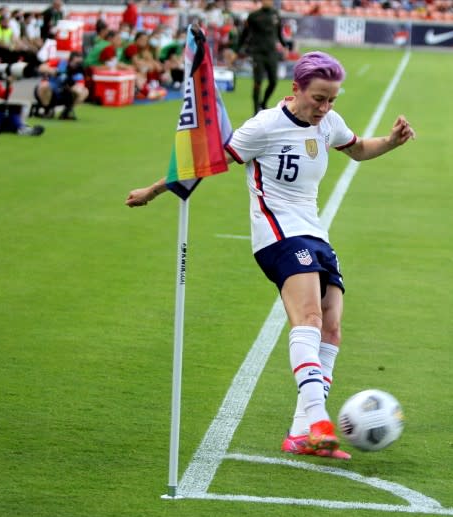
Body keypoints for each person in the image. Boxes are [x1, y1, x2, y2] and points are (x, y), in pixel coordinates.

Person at [124, 51, 416, 460]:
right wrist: (152, 191)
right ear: (295, 89)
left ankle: (301, 433)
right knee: (310, 319)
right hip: (278, 236)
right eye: (318, 98)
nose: (324, 108)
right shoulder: (264, 126)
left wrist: (389, 141)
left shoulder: (328, 123)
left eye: (331, 100)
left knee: (331, 330)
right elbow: (206, 163)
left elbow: (357, 148)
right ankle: (318, 421)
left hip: (314, 235)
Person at [236, 0, 290, 114]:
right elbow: (244, 34)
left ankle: (264, 102)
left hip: (272, 53)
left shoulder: (276, 14)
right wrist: (236, 51)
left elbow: (279, 34)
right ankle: (256, 112)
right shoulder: (254, 16)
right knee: (258, 82)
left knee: (273, 81)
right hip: (257, 53)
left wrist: (285, 46)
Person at [33, 51, 89, 119]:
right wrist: (53, 71)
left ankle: (67, 110)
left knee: (84, 91)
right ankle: (47, 110)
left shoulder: (79, 72)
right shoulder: (60, 62)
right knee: (44, 85)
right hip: (50, 91)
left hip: (65, 95)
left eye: (79, 62)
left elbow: (80, 86)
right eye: (76, 61)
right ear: (70, 59)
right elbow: (41, 68)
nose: (77, 64)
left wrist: (71, 86)